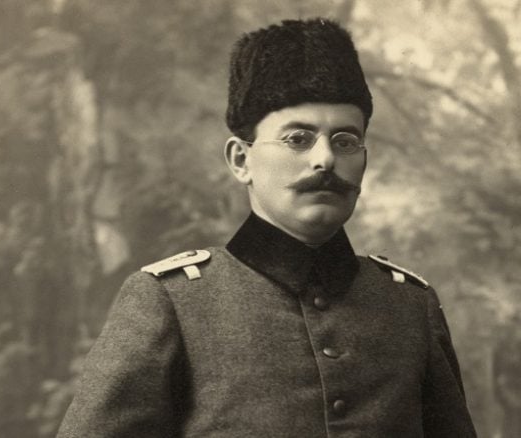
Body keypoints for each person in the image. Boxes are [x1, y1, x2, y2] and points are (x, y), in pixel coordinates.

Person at [57, 18, 477, 438]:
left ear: (363, 162)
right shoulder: (173, 302)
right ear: (241, 160)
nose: (325, 160)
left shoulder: (410, 306)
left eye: (345, 141)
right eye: (298, 139)